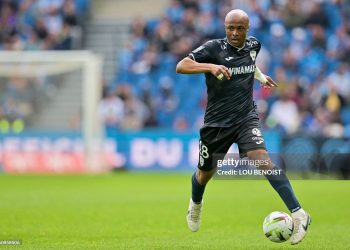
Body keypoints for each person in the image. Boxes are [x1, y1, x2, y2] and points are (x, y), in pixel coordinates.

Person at [176, 9, 311, 245]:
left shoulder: (254, 46)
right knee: (204, 174)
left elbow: (249, 64)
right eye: (230, 28)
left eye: (240, 28)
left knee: (262, 160)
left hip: (246, 117)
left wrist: (260, 77)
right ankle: (195, 204)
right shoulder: (212, 49)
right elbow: (181, 65)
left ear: (247, 29)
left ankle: (299, 213)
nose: (235, 32)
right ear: (225, 27)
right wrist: (210, 67)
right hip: (216, 125)